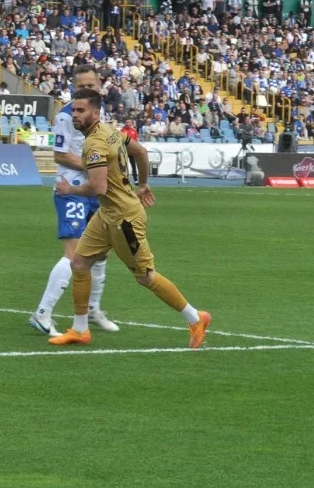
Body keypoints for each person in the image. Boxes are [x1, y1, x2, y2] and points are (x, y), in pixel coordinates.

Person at [51, 89, 212, 348]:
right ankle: (80, 329)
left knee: (145, 277)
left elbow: (98, 188)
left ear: (95, 112)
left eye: (80, 111)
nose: (74, 115)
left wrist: (70, 190)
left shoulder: (94, 143)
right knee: (79, 264)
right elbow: (141, 152)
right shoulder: (110, 132)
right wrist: (143, 184)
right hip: (108, 215)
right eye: (73, 110)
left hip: (124, 220)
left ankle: (195, 317)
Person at [29, 65, 118, 337]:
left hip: (93, 191)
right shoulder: (67, 116)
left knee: (101, 253)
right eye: (81, 84)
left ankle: (91, 309)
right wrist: (93, 166)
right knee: (75, 254)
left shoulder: (99, 114)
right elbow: (60, 155)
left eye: (91, 83)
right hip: (72, 189)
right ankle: (42, 313)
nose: (87, 87)